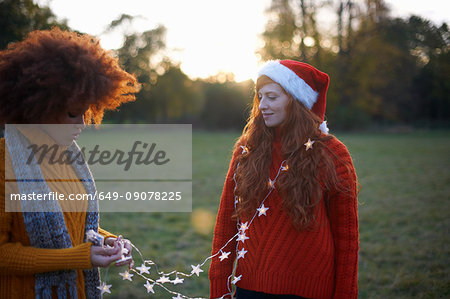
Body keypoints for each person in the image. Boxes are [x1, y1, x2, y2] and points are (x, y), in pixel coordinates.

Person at [0, 27, 139, 298]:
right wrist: (81, 256)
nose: (84, 124)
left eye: (86, 112)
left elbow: (74, 225)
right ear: (42, 105)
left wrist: (108, 241)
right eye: (74, 113)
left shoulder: (69, 156)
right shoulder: (4, 161)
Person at [209, 60, 359, 299]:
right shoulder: (247, 151)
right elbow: (226, 226)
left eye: (272, 97)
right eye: (260, 97)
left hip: (309, 292)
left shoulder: (331, 154)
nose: (263, 106)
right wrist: (219, 291)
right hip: (249, 289)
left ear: (295, 100)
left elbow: (347, 240)